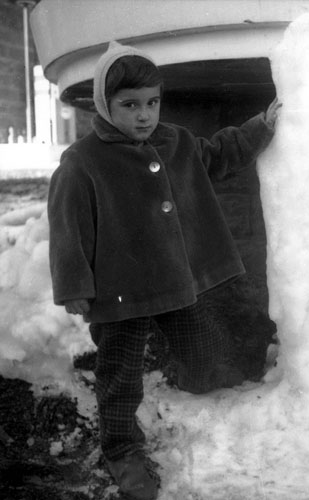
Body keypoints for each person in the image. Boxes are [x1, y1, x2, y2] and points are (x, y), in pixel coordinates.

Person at [47, 41, 279, 500]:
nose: (144, 115)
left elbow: (218, 155)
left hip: (175, 282)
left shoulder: (175, 141)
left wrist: (260, 127)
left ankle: (186, 379)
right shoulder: (83, 161)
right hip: (120, 291)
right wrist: (75, 285)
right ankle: (121, 449)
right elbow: (67, 226)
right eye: (130, 105)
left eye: (152, 103)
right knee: (120, 375)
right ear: (104, 104)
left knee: (206, 351)